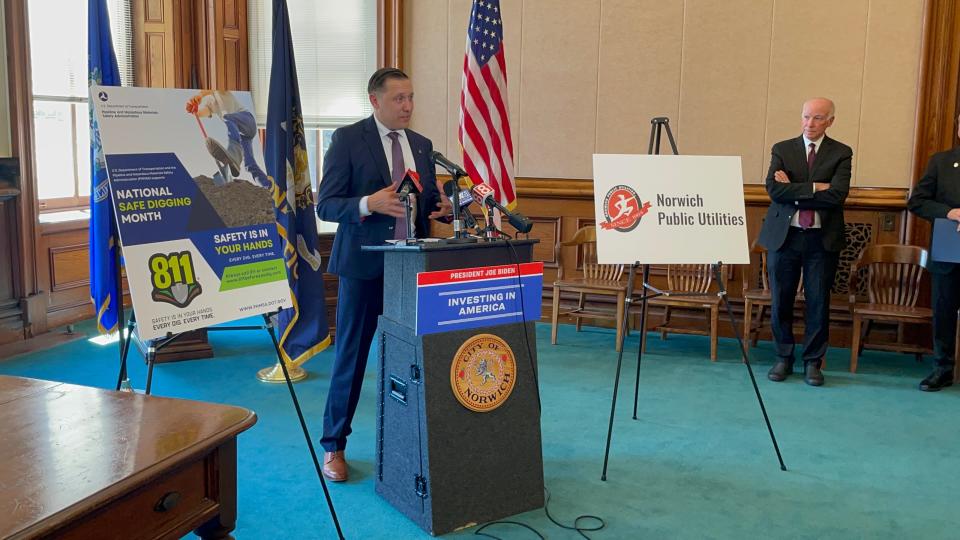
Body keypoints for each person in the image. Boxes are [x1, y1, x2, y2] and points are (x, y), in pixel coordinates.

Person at [315, 68, 452, 481]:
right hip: (364, 267)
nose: (408, 106)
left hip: (413, 267)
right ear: (375, 101)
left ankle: (421, 444)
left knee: (422, 357)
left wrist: (442, 207)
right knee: (352, 358)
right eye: (398, 99)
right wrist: (366, 203)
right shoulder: (348, 140)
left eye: (411, 97)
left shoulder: (423, 146)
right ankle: (334, 446)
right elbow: (326, 205)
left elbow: (426, 201)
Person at [757, 97, 852, 387]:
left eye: (818, 118)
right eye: (807, 117)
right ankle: (783, 357)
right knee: (781, 299)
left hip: (821, 240)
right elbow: (774, 190)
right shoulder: (782, 149)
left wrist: (794, 189)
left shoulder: (841, 153)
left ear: (830, 121)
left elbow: (837, 195)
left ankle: (813, 362)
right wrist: (815, 187)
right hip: (785, 238)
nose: (810, 124)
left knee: (818, 302)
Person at [906, 114, 960, 391]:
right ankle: (943, 368)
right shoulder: (942, 161)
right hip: (949, 248)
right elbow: (917, 202)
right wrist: (949, 212)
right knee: (944, 311)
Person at [185, 90, 268, 187]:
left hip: (247, 120)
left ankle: (234, 155)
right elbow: (202, 113)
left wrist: (200, 95)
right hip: (243, 135)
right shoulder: (210, 102)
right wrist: (194, 110)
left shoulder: (221, 91)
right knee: (249, 165)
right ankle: (268, 186)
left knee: (227, 118)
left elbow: (212, 89)